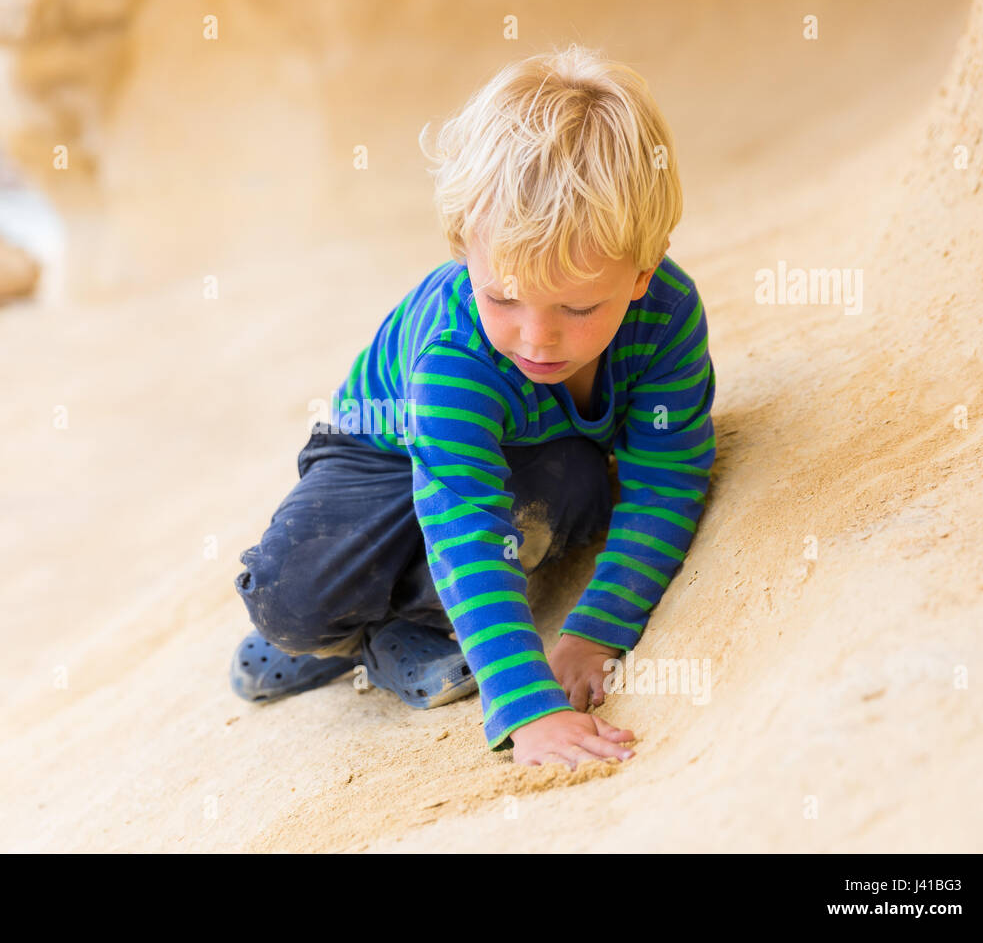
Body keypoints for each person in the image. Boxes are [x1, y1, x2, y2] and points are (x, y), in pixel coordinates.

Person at [231, 42, 717, 769]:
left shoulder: (668, 317)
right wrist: (526, 703)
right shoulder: (458, 352)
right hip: (381, 451)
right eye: (503, 296)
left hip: (531, 456)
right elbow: (460, 514)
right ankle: (349, 637)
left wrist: (593, 633)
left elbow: (670, 480)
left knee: (582, 488)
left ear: (643, 271)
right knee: (289, 597)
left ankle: (401, 635)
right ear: (466, 251)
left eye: (579, 307)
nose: (538, 336)